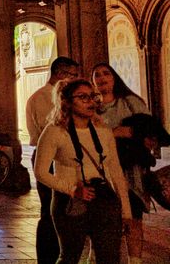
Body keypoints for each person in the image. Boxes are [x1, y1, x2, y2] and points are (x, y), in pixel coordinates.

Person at [34, 78, 132, 264]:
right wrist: (72, 189)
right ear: (68, 102)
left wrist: (126, 212)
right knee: (69, 257)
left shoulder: (102, 130)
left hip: (103, 198)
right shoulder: (55, 131)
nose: (90, 102)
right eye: (83, 97)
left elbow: (116, 170)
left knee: (110, 258)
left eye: (93, 96)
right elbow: (40, 172)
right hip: (70, 201)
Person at [91, 63, 150, 264]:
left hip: (130, 170)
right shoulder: (92, 107)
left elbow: (150, 132)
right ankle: (96, 256)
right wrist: (114, 133)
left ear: (115, 77)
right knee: (102, 219)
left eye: (105, 73)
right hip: (101, 171)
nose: (101, 78)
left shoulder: (130, 102)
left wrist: (131, 133)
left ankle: (135, 260)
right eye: (96, 75)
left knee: (133, 218)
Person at [26, 56, 79, 264]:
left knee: (60, 208)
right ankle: (49, 257)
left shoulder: (48, 96)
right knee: (51, 210)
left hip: (57, 157)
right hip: (49, 159)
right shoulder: (44, 98)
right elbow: (56, 132)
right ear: (60, 74)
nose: (76, 79)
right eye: (73, 75)